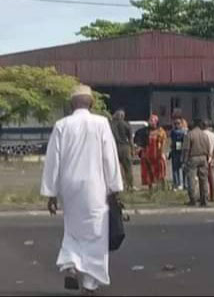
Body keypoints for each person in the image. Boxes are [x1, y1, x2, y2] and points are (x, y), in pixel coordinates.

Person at [40, 85, 124, 294]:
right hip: (95, 187)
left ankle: (70, 264)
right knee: (96, 234)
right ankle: (89, 285)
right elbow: (109, 157)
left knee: (73, 228)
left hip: (69, 188)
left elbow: (53, 161)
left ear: (71, 104)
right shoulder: (101, 123)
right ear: (92, 103)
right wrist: (115, 187)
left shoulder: (61, 125)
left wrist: (51, 193)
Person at [183, 119, 211, 207]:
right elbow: (208, 148)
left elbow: (186, 149)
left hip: (193, 157)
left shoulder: (190, 134)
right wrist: (206, 158)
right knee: (204, 180)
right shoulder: (204, 135)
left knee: (191, 179)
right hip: (203, 157)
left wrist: (185, 160)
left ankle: (193, 200)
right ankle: (204, 200)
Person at [140, 114, 167, 191]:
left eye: (153, 121)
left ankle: (162, 188)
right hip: (147, 155)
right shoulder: (145, 131)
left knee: (160, 172)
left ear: (157, 122)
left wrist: (162, 152)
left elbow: (163, 142)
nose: (151, 122)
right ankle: (150, 189)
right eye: (150, 120)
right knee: (148, 172)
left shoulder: (161, 131)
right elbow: (142, 143)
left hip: (158, 154)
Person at [110, 109, 134, 192]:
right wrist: (132, 149)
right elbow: (130, 139)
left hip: (114, 148)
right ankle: (130, 185)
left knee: (115, 168)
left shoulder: (111, 125)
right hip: (125, 147)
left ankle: (118, 186)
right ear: (123, 116)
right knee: (128, 168)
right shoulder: (127, 125)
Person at [169, 118, 187, 191]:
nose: (177, 125)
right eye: (176, 123)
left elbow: (172, 141)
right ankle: (184, 184)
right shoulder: (184, 132)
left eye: (178, 123)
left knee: (176, 169)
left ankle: (177, 184)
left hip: (176, 152)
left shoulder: (173, 132)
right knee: (182, 169)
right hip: (180, 152)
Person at [204, 120, 214, 202]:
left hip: (204, 157)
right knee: (211, 178)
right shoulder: (213, 135)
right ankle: (213, 196)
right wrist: (213, 158)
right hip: (210, 157)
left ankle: (205, 195)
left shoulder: (202, 134)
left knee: (203, 179)